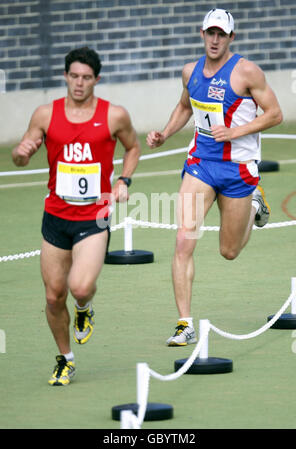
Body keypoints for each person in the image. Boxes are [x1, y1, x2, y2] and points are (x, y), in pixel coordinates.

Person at [147, 9, 283, 346]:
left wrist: (237, 131)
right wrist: (165, 133)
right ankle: (184, 323)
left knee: (229, 251)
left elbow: (275, 114)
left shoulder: (247, 72)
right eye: (210, 32)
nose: (215, 39)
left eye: (222, 34)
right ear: (202, 33)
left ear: (231, 38)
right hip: (201, 164)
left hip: (238, 169)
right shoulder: (189, 72)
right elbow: (184, 107)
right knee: (183, 240)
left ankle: (254, 203)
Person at [12, 47, 141, 385]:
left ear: (96, 80)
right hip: (55, 216)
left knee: (80, 287)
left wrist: (123, 180)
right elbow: (23, 152)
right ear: (65, 76)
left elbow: (133, 147)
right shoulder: (45, 114)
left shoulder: (114, 116)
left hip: (94, 217)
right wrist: (21, 154)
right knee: (54, 295)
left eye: (87, 77)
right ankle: (65, 358)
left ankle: (84, 308)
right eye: (74, 76)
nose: (80, 83)